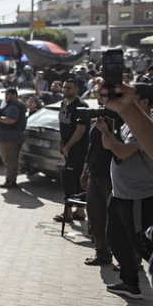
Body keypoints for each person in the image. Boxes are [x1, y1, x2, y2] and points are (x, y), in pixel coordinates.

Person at [96, 83, 153, 299]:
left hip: (138, 196)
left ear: (145, 102)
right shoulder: (130, 124)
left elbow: (122, 150)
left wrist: (107, 134)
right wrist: (107, 129)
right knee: (115, 238)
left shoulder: (147, 125)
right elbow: (107, 146)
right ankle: (130, 283)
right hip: (120, 192)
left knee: (142, 244)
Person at [80, 99, 116, 267]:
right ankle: (102, 253)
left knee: (118, 220)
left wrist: (107, 129)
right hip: (95, 173)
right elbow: (91, 147)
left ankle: (130, 260)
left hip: (114, 177)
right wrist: (85, 171)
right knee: (95, 216)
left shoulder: (121, 119)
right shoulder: (98, 119)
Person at [54, 79, 89, 222]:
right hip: (68, 148)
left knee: (71, 179)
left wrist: (68, 145)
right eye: (64, 87)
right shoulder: (63, 104)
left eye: (69, 88)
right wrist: (62, 143)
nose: (65, 90)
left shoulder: (81, 106)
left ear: (76, 90)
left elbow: (80, 130)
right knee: (72, 180)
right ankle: (79, 212)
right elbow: (63, 126)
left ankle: (68, 212)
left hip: (78, 150)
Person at [0, 88, 27, 189]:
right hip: (11, 136)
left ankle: (10, 181)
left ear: (14, 95)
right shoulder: (16, 104)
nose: (6, 97)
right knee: (11, 160)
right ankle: (10, 179)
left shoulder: (14, 106)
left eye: (8, 95)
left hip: (9, 138)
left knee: (9, 160)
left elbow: (11, 120)